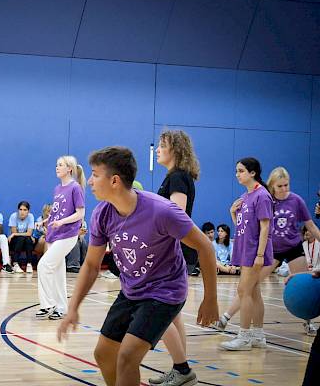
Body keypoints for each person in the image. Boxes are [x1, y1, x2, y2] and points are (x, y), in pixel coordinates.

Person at [57, 146, 218, 386]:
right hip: (132, 290)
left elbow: (205, 247)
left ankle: (181, 369)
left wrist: (210, 298)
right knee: (104, 354)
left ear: (114, 180)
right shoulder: (102, 214)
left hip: (165, 291)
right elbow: (90, 265)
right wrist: (73, 308)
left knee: (127, 356)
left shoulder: (161, 210)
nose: (89, 181)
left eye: (95, 175)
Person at [216, 166, 320, 337]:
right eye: (280, 186)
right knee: (250, 285)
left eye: (286, 185)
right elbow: (248, 226)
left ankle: (308, 323)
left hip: (293, 247)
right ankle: (225, 318)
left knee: (305, 286)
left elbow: (311, 226)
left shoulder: (296, 200)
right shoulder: (264, 199)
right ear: (272, 185)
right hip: (272, 249)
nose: (284, 189)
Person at [152, 130, 200, 385]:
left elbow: (176, 216)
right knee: (174, 314)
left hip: (174, 253)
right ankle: (180, 368)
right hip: (173, 252)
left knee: (161, 313)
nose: (158, 150)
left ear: (176, 150)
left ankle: (182, 370)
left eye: (162, 145)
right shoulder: (173, 177)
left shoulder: (179, 177)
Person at [218, 158, 274, 350]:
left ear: (253, 173)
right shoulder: (245, 196)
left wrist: (260, 255)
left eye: (241, 171)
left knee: (244, 291)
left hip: (254, 251)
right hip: (245, 248)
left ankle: (244, 337)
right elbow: (244, 227)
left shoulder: (262, 195)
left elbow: (265, 227)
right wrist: (233, 213)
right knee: (254, 291)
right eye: (236, 171)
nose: (237, 174)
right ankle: (258, 335)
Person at [36, 155, 86, 320]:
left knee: (44, 265)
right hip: (54, 233)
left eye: (60, 165)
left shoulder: (75, 188)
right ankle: (61, 308)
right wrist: (45, 221)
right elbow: (56, 212)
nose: (57, 167)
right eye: (57, 165)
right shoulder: (58, 189)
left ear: (69, 169)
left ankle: (48, 305)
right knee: (57, 272)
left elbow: (80, 213)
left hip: (68, 233)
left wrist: (62, 222)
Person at [8, 201, 35, 273]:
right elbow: (14, 232)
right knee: (22, 238)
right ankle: (15, 263)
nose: (22, 212)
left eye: (25, 210)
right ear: (18, 210)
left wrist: (15, 234)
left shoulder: (30, 216)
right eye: (20, 209)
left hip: (25, 241)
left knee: (28, 239)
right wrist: (15, 234)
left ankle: (29, 264)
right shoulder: (13, 216)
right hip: (13, 242)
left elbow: (29, 233)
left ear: (28, 211)